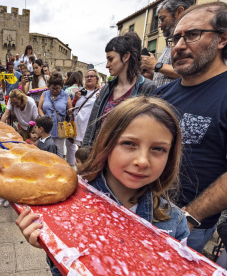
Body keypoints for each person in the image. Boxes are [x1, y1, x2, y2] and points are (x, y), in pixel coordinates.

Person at [17, 96, 189, 275]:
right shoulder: (66, 203)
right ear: (106, 143)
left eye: (158, 149)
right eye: (129, 144)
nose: (142, 161)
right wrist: (49, 244)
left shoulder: (174, 221)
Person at [152, 2, 227, 253]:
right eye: (175, 39)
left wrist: (189, 217)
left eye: (192, 35)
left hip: (191, 227)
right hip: (145, 210)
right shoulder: (160, 95)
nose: (180, 46)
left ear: (222, 39)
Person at [82, 32, 157, 147]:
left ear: (126, 56)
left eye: (111, 59)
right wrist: (85, 151)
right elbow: (93, 123)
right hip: (100, 155)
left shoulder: (147, 88)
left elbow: (150, 131)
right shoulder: (107, 88)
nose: (107, 65)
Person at [140, 0, 193, 87]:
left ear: (179, 12)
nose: (159, 25)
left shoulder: (190, 41)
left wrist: (156, 65)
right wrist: (153, 74)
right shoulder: (170, 41)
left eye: (162, 19)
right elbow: (171, 75)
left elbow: (187, 72)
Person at [38, 73, 73, 163]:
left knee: (59, 152)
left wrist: (69, 111)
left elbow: (70, 110)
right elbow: (40, 108)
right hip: (46, 128)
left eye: (57, 88)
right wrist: (43, 117)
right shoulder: (45, 94)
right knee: (45, 150)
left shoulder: (65, 95)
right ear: (49, 86)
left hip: (59, 128)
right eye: (52, 88)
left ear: (61, 86)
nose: (54, 90)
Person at [72, 69, 101, 147]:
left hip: (90, 127)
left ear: (97, 79)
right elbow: (72, 106)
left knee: (88, 150)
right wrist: (75, 99)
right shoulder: (80, 91)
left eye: (92, 76)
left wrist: (101, 99)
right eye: (87, 76)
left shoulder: (100, 92)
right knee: (80, 151)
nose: (89, 78)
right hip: (78, 125)